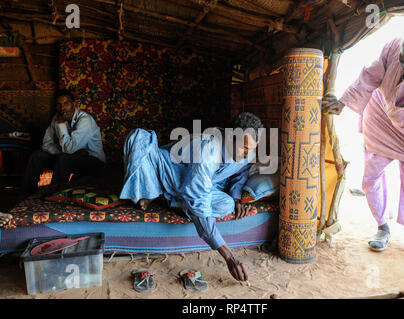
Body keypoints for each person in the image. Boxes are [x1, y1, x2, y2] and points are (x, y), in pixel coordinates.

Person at [322, 26, 404, 260]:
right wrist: (344, 102)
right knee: (371, 175)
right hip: (379, 115)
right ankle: (382, 228)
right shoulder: (392, 46)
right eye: (403, 61)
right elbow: (370, 76)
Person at [120, 112, 264, 282]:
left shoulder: (246, 152)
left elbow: (241, 172)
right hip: (166, 170)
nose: (248, 155)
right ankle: (160, 192)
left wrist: (236, 197)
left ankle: (171, 199)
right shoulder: (207, 150)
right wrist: (229, 256)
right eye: (244, 149)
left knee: (226, 205)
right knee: (139, 138)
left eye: (252, 149)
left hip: (196, 186)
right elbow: (201, 203)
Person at [21, 89, 106, 196]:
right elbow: (46, 144)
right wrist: (62, 152)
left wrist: (61, 126)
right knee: (37, 156)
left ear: (74, 104)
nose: (62, 108)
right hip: (68, 157)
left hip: (93, 161)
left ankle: (55, 194)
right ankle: (28, 194)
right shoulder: (57, 117)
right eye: (59, 105)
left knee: (64, 158)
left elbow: (69, 149)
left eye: (66, 104)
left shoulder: (85, 120)